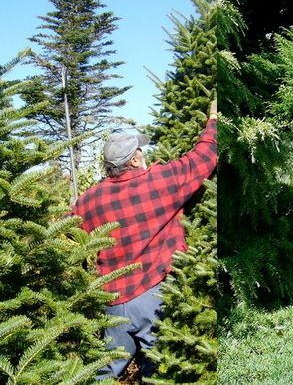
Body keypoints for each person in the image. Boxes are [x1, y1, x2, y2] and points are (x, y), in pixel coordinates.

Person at [71, 100, 217, 379]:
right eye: (140, 150)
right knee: (158, 369)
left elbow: (68, 230)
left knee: (103, 371)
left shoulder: (90, 199)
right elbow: (205, 156)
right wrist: (213, 119)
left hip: (111, 300)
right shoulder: (159, 181)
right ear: (135, 159)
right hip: (153, 294)